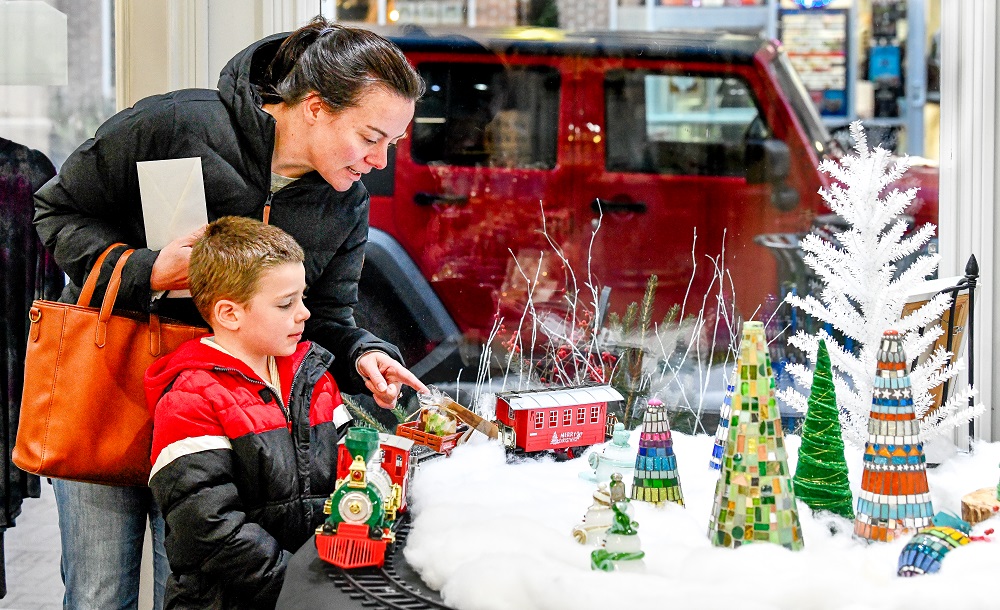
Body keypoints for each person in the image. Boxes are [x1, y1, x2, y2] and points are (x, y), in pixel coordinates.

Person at [33, 17, 427, 609]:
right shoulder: (173, 124)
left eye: (391, 144)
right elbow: (57, 211)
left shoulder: (345, 205)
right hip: (109, 385)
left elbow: (322, 319)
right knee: (97, 591)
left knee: (191, 588)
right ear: (315, 106)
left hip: (221, 421)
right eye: (371, 137)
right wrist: (146, 269)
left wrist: (364, 354)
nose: (379, 161)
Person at [146, 216, 350, 609]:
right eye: (286, 303)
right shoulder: (192, 398)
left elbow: (352, 467)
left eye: (302, 298)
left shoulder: (315, 378)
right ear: (229, 314)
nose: (304, 313)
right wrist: (297, 585)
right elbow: (209, 527)